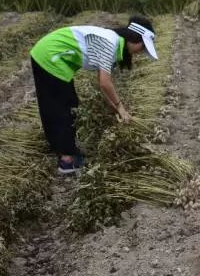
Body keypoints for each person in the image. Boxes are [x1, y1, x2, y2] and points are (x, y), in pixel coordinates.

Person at [30, 16, 158, 174]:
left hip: (51, 54)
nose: (142, 51)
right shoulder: (110, 43)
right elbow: (105, 82)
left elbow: (101, 81)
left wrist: (111, 105)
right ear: (135, 39)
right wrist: (121, 108)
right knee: (63, 107)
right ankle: (66, 161)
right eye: (143, 47)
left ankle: (60, 147)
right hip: (50, 55)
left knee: (63, 103)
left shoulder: (115, 42)